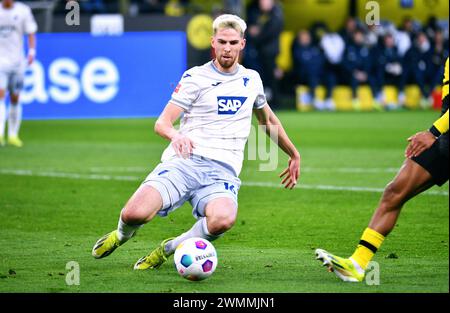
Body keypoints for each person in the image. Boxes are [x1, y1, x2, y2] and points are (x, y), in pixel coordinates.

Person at [91, 14, 301, 270]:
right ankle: (121, 236)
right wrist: (176, 135)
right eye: (222, 41)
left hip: (222, 172)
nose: (227, 48)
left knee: (223, 219)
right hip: (184, 163)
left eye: (233, 42)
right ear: (212, 42)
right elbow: (162, 123)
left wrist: (293, 153)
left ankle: (168, 248)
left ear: (242, 44)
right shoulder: (195, 78)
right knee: (134, 214)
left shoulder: (252, 80)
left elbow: (268, 121)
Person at [315, 57, 449, 282]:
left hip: (439, 133)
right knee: (395, 192)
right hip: (445, 136)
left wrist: (433, 132)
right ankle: (357, 264)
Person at [0, 0, 37, 147]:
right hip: (0, 63)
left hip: (17, 62)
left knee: (15, 97)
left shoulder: (23, 10)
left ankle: (13, 135)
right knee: (1, 95)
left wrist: (32, 51)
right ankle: (0, 133)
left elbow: (31, 32)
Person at [244, 0, 284, 106]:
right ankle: (261, 102)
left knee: (270, 78)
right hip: (259, 52)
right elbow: (251, 28)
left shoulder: (276, 14)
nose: (262, 3)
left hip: (269, 52)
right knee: (260, 78)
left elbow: (268, 33)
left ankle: (275, 103)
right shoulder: (257, 13)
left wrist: (257, 34)